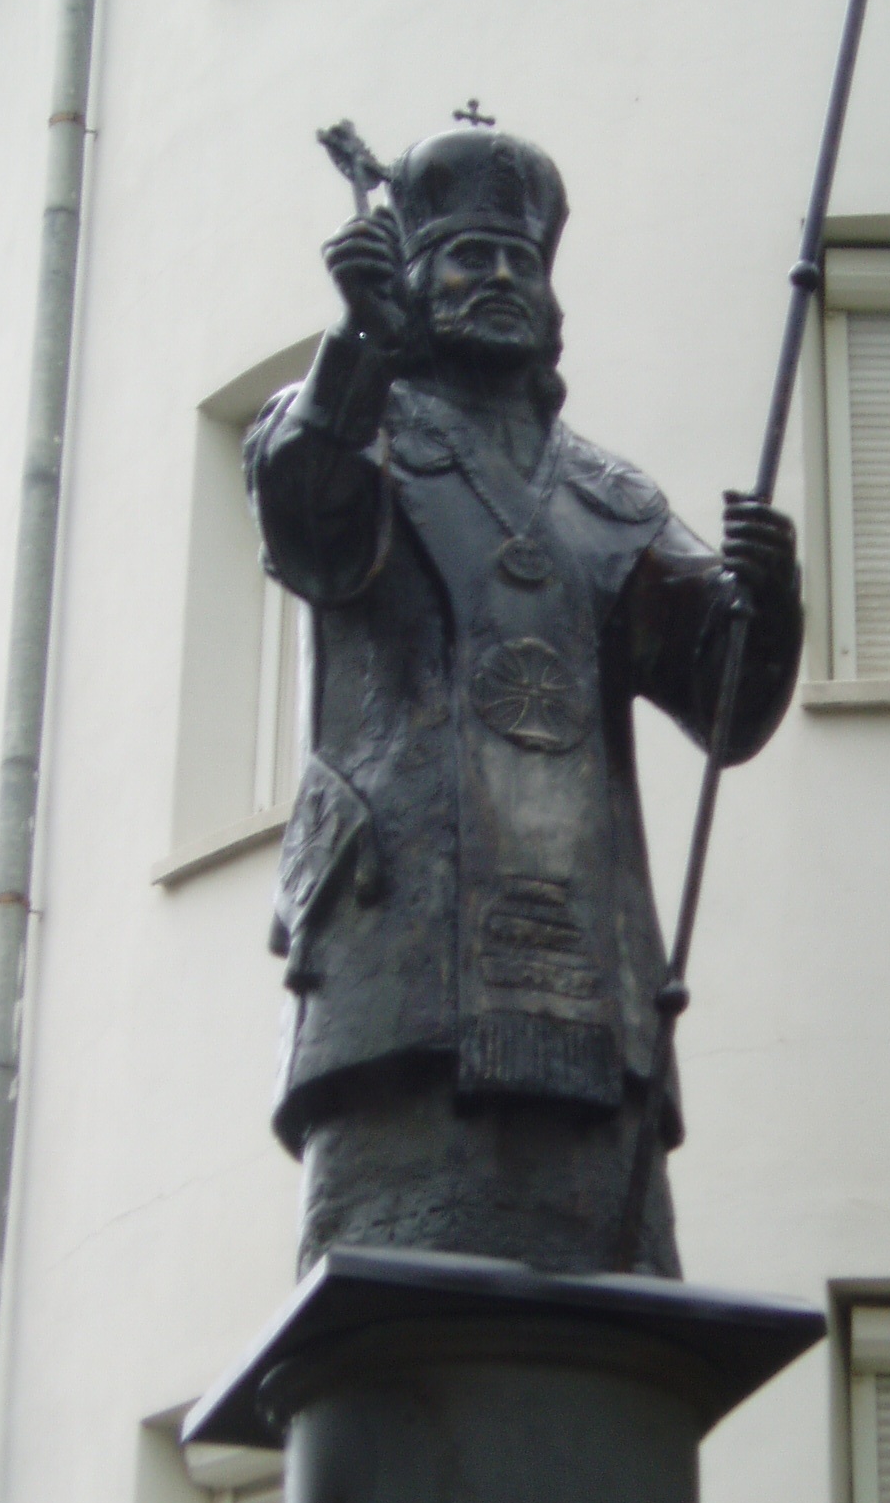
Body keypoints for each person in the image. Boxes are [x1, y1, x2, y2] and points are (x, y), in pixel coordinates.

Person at [246, 123, 802, 1280]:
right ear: (410, 278)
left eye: (520, 261)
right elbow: (312, 520)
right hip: (403, 971)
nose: (500, 278)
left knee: (614, 1312)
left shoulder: (607, 495)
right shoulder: (347, 421)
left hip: (595, 1001)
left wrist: (766, 595)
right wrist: (358, 344)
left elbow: (723, 698)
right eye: (467, 257)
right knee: (396, 1294)